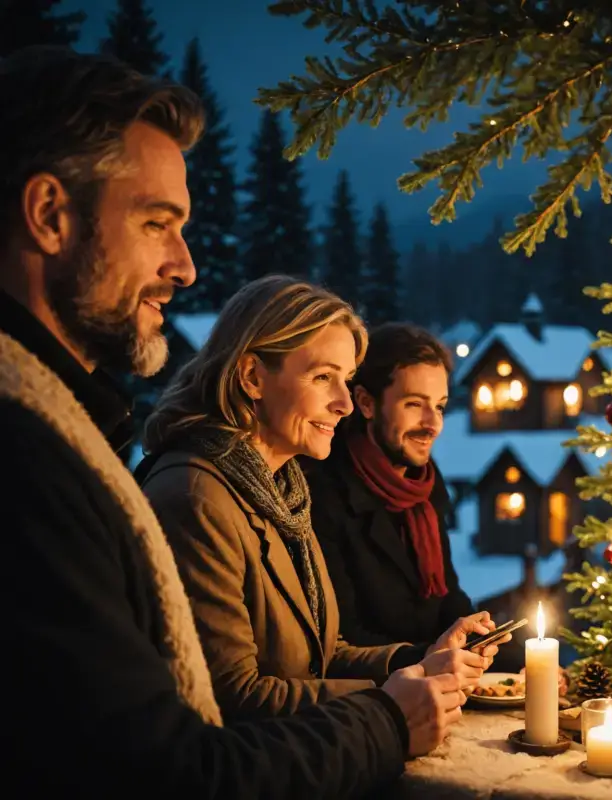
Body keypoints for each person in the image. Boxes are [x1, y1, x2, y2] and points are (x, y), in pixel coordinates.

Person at [0, 45, 466, 800]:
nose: (184, 266)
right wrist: (387, 716)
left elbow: (311, 656)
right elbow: (173, 755)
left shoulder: (269, 485)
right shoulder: (42, 464)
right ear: (51, 215)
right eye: (157, 222)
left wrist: (416, 665)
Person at [136, 276, 501, 720]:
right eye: (324, 377)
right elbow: (231, 698)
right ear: (252, 376)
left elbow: (320, 658)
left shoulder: (283, 490)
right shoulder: (197, 500)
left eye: (346, 380)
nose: (344, 403)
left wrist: (420, 663)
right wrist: (389, 705)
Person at [303, 323, 477, 651]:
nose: (433, 424)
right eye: (414, 404)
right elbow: (342, 637)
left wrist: (510, 654)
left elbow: (448, 600)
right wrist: (432, 660)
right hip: (375, 692)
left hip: (437, 682)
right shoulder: (325, 495)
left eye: (439, 406)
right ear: (366, 403)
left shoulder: (424, 487)